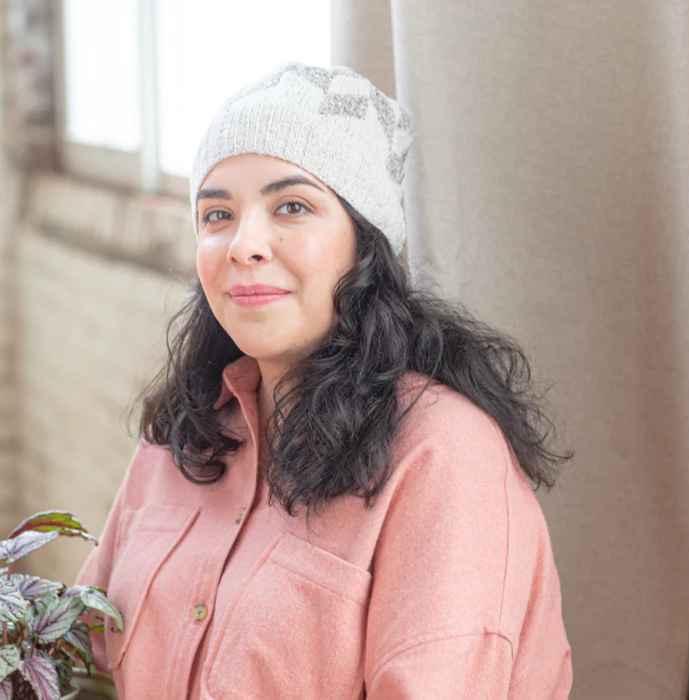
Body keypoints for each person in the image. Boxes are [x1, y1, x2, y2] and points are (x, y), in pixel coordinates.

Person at [75, 61, 574, 699]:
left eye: (291, 206)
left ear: (365, 245)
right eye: (217, 214)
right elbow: (81, 659)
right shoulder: (185, 433)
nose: (243, 244)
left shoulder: (445, 457)